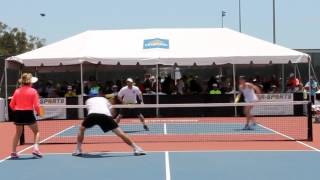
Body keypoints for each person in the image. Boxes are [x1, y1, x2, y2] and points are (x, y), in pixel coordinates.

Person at [72, 92, 146, 156]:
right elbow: (113, 112)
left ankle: (78, 150)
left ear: (90, 96)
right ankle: (137, 148)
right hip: (106, 116)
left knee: (81, 129)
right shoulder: (105, 99)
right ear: (98, 95)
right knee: (120, 133)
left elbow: (91, 110)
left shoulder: (88, 100)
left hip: (92, 115)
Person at [9, 73, 43, 158]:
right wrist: (40, 113)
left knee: (18, 133)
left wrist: (16, 111)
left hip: (18, 113)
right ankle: (35, 149)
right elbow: (36, 106)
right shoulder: (33, 91)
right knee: (37, 132)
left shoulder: (17, 91)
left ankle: (13, 152)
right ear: (30, 82)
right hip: (28, 113)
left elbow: (11, 105)